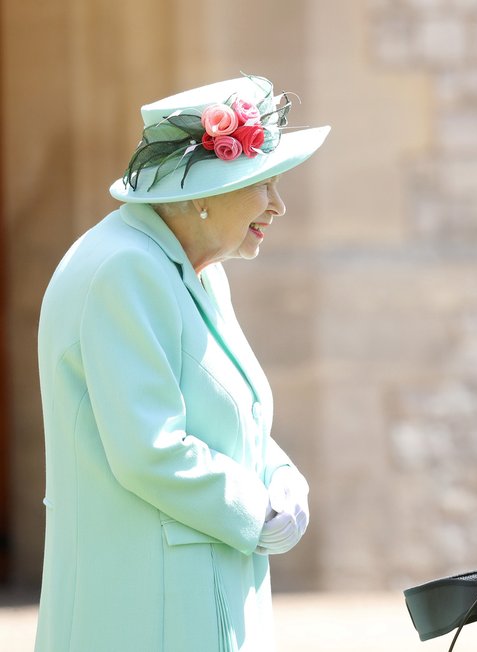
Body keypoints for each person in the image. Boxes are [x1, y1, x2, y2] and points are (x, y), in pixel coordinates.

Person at [35, 74, 330, 651]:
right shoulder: (125, 268)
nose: (278, 205)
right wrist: (257, 508)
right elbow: (150, 449)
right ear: (201, 194)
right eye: (263, 183)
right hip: (143, 607)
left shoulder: (194, 268)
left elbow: (232, 409)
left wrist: (282, 477)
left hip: (191, 598)